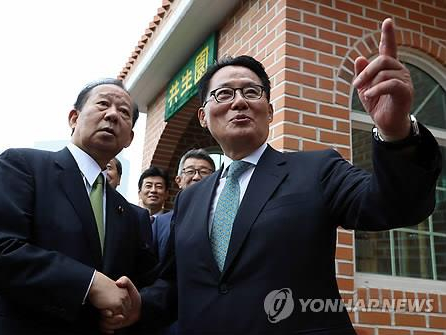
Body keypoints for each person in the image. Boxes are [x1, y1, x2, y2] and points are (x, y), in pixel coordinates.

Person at [104, 19, 442, 334]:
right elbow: (178, 283)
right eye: (224, 94)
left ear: (269, 110)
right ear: (204, 117)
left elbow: (396, 205)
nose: (239, 101)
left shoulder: (317, 170)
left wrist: (397, 133)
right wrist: (140, 305)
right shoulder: (190, 198)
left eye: (251, 92)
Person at [0, 78, 156, 335]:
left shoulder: (132, 215)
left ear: (129, 138)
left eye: (124, 112)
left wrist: (131, 309)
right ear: (73, 118)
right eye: (103, 104)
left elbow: (140, 283)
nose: (113, 115)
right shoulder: (23, 166)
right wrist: (88, 283)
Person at [152, 149, 215, 263]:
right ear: (178, 180)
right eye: (190, 171)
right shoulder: (160, 223)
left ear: (214, 179)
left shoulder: (221, 218)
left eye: (204, 172)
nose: (196, 177)